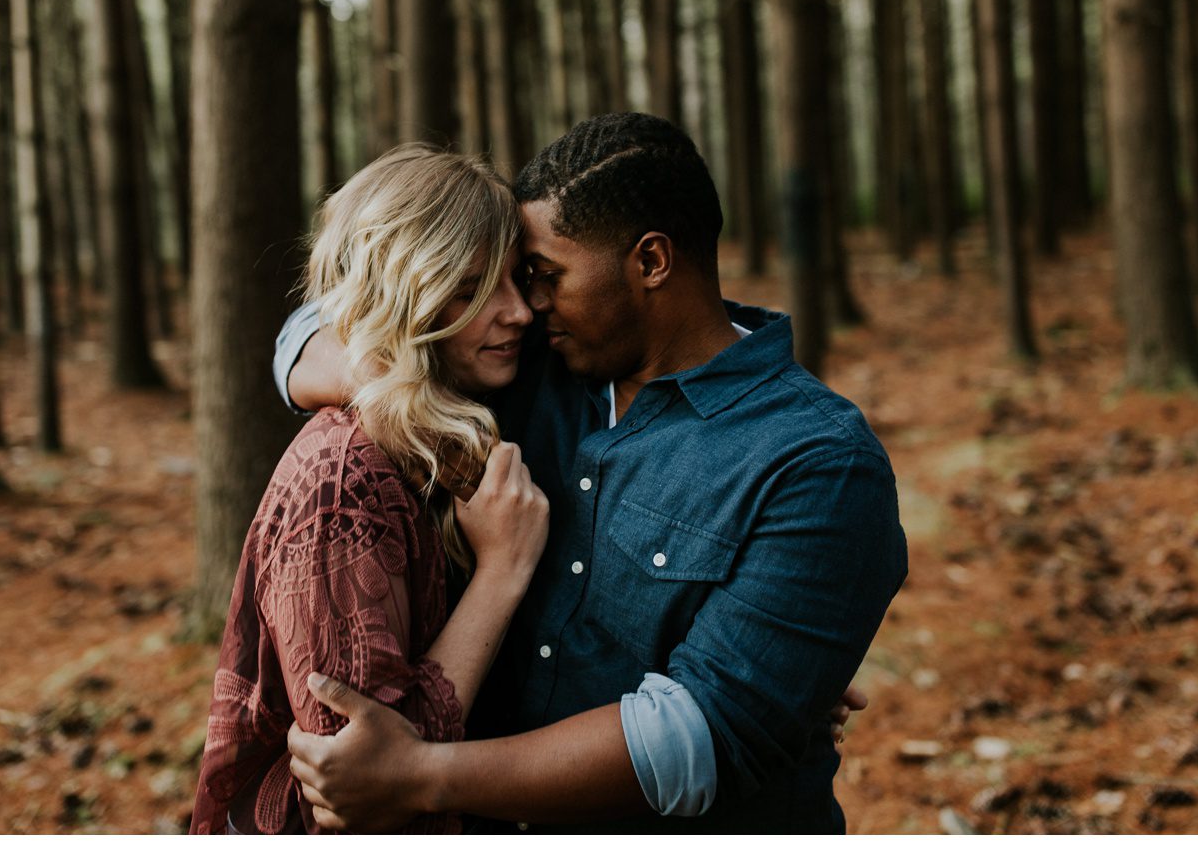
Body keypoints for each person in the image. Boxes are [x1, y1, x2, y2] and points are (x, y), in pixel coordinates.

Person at [275, 113, 908, 833]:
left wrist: (419, 775)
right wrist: (398, 389)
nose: (526, 305)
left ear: (651, 262)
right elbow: (309, 331)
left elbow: (697, 738)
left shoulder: (818, 462)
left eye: (545, 276)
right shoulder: (526, 363)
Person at [189, 145, 550, 834]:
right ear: (401, 298)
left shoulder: (463, 409)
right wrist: (502, 570)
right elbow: (363, 790)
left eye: (517, 278)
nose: (519, 313)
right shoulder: (342, 490)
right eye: (470, 289)